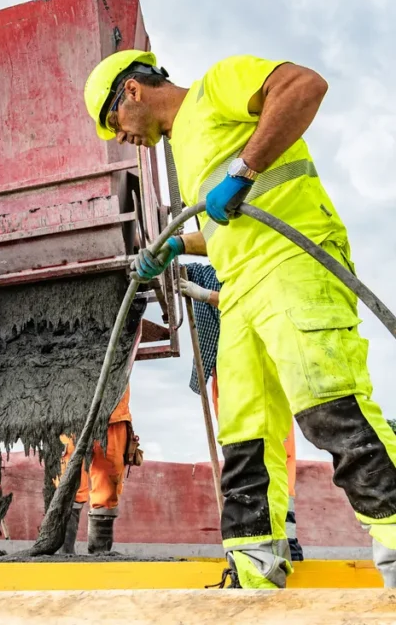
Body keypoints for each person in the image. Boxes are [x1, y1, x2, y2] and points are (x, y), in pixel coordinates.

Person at [84, 50, 396, 588]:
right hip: (240, 289)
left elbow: (304, 85)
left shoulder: (215, 87)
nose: (120, 137)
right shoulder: (184, 149)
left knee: (328, 404)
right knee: (244, 434)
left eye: (114, 122)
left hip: (292, 263)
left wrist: (244, 169)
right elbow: (228, 225)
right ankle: (256, 573)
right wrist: (179, 244)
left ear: (131, 90)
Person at [182, 263, 304, 561]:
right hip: (227, 370)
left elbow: (252, 300)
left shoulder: (261, 266)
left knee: (277, 449)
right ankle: (254, 543)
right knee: (241, 449)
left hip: (264, 365)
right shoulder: (209, 271)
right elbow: (175, 266)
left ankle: (285, 540)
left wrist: (208, 296)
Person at [55, 384, 135, 555]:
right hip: (70, 413)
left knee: (108, 487)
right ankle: (62, 553)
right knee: (67, 485)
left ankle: (100, 552)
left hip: (113, 415)